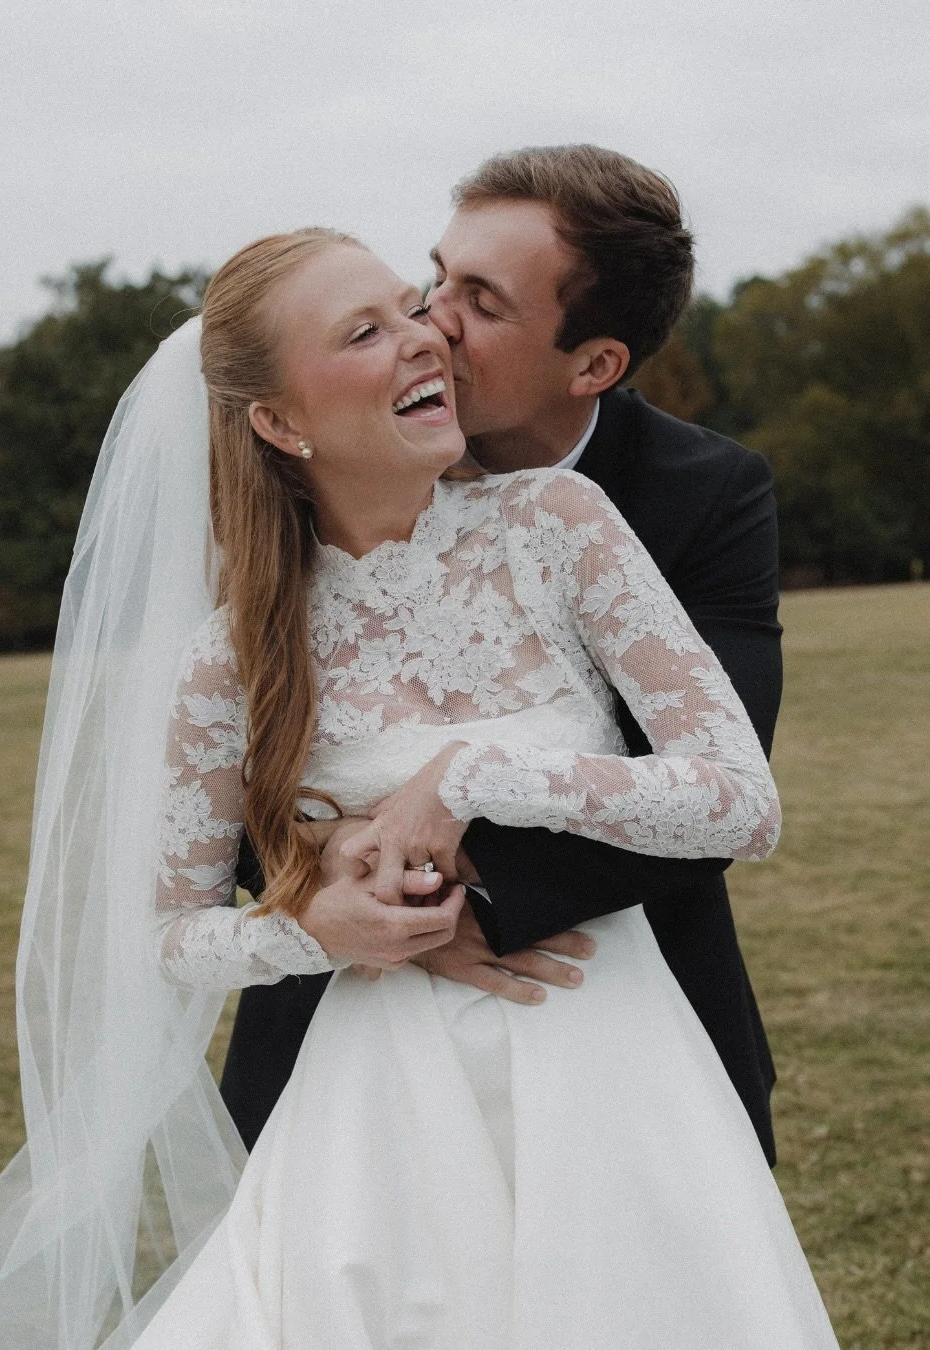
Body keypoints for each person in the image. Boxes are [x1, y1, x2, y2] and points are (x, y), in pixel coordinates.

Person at [127, 227, 836, 1346]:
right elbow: (170, 933)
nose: (425, 340)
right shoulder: (234, 653)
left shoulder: (557, 525)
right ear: (279, 422)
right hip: (377, 1103)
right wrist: (322, 927)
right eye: (367, 332)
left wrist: (477, 777)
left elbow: (741, 802)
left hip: (609, 1055)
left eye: (414, 308)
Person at [220, 145, 783, 1167]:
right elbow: (222, 809)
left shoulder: (703, 495)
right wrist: (344, 893)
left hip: (611, 1003)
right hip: (347, 1035)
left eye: (479, 302)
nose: (431, 322)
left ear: (594, 365)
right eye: (435, 276)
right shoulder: (289, 509)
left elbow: (720, 801)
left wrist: (483, 898)